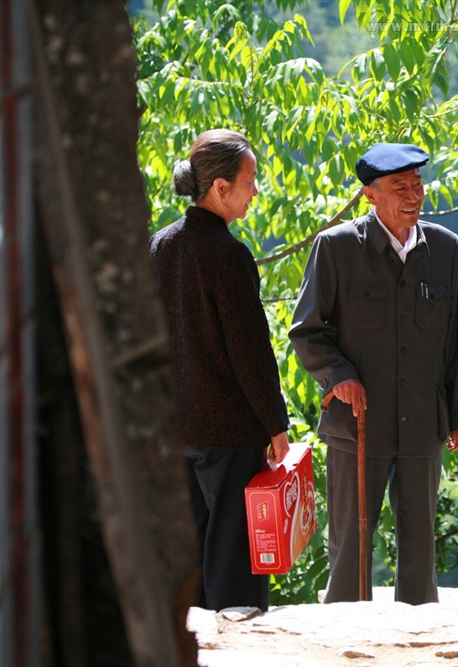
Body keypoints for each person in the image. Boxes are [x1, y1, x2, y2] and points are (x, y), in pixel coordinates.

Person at [289, 143, 458, 604]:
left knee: (420, 540)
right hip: (358, 424)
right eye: (400, 187)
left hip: (422, 418)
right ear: (369, 195)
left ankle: (418, 639)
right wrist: (338, 375)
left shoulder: (444, 247)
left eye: (417, 185)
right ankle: (346, 640)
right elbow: (308, 331)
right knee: (351, 542)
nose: (413, 195)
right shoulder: (336, 247)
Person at [149, 129, 291, 611]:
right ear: (220, 188)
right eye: (249, 180)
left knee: (190, 552)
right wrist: (276, 426)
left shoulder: (159, 246)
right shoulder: (228, 256)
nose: (255, 190)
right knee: (233, 560)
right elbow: (250, 353)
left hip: (175, 427)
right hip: (229, 433)